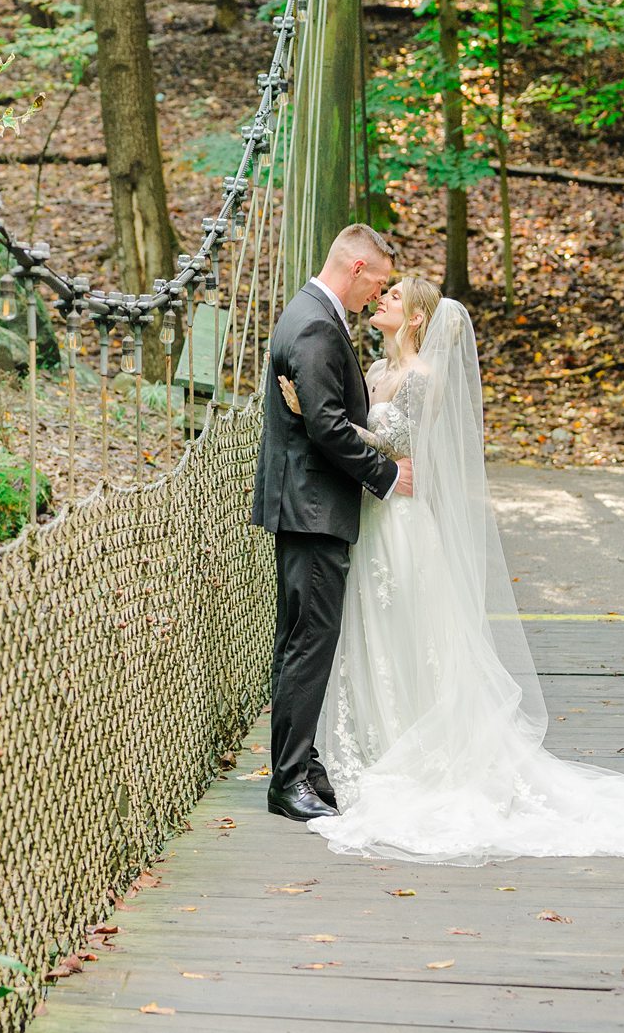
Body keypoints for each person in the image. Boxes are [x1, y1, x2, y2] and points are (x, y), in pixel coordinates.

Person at [309, 276, 624, 865]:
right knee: (375, 631)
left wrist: (323, 419)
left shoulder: (425, 381)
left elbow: (414, 453)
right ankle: (377, 747)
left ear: (419, 319)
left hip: (402, 522)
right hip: (371, 519)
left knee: (412, 629)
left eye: (395, 297)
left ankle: (419, 753)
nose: (382, 301)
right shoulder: (373, 374)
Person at [250, 224, 414, 822]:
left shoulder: (307, 311)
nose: (378, 294)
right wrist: (389, 476)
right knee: (309, 644)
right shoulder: (318, 324)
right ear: (356, 268)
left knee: (298, 641)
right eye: (378, 282)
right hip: (315, 508)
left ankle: (302, 764)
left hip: (302, 505)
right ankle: (289, 781)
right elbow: (327, 425)